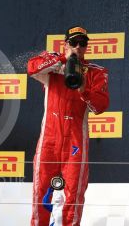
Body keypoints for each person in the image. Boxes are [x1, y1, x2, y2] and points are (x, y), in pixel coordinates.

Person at [27, 26, 109, 225]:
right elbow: (31, 67)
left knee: (74, 196)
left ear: (86, 47)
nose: (78, 47)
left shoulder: (96, 72)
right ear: (65, 44)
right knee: (40, 193)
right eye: (73, 42)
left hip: (75, 142)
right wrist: (63, 60)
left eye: (82, 43)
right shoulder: (53, 64)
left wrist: (83, 89)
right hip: (49, 139)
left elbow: (100, 107)